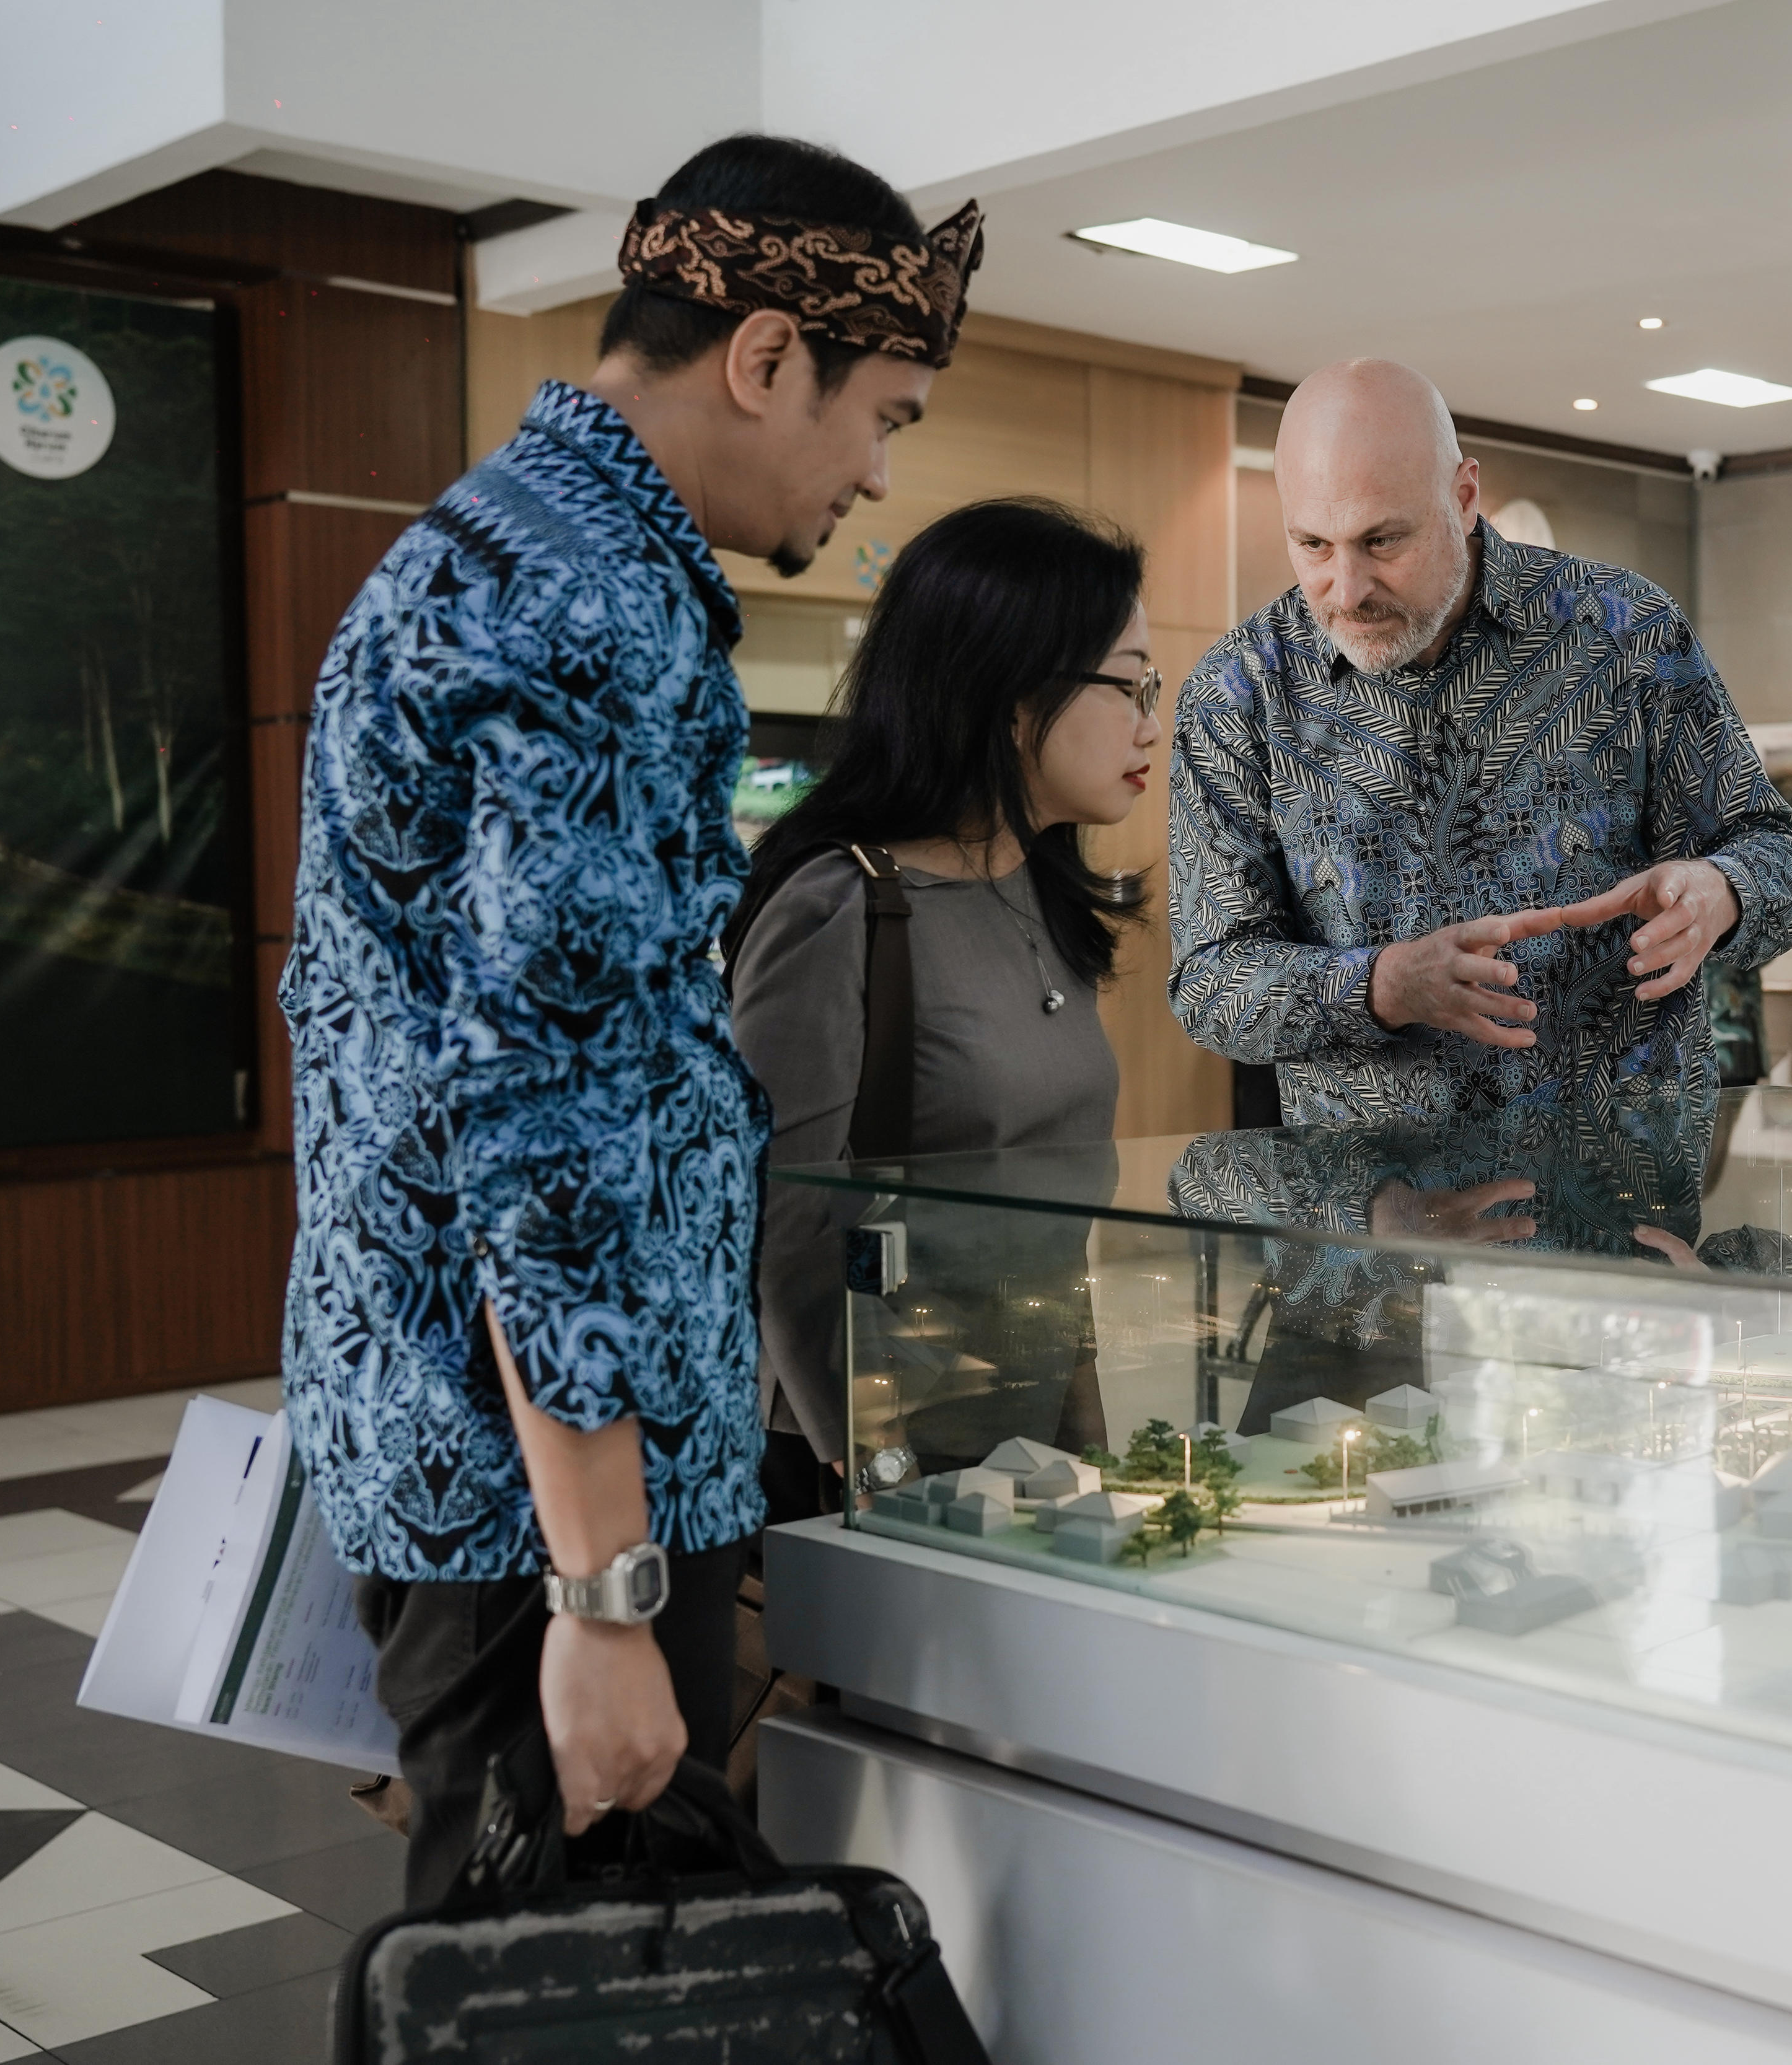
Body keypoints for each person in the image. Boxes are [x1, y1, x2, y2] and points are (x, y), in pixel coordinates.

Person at [280, 132, 978, 1907]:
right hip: (547, 1506)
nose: (878, 475)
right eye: (884, 414)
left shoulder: (500, 547)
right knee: (564, 1984)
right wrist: (604, 1594)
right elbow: (550, 1127)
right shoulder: (589, 607)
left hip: (483, 1453)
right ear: (764, 358)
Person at [1168, 359, 1792, 1125]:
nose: (1347, 590)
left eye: (1382, 541)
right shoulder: (1237, 691)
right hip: (1366, 1214)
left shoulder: (1623, 632)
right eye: (1311, 545)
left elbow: (1777, 855)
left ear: (1463, 497)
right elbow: (1209, 981)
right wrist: (1382, 986)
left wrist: (1723, 894)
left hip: (1617, 1200)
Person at [726, 498, 1157, 1488]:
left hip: (1025, 1422)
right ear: (1015, 700)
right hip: (878, 1444)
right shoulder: (842, 907)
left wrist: (1085, 1425)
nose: (1150, 721)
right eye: (1129, 686)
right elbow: (786, 1227)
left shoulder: (1044, 892)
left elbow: (1055, 1212)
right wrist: (872, 1464)